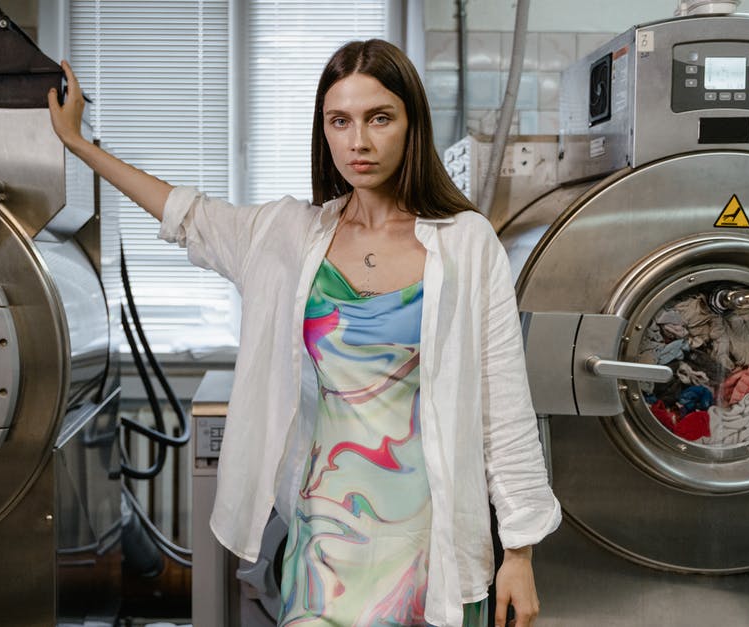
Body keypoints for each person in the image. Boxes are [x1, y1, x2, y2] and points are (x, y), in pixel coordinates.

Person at [48, 38, 560, 627]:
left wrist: (518, 553)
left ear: (411, 124)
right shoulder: (290, 235)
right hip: (324, 540)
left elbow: (504, 409)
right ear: (324, 130)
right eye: (339, 121)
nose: (358, 141)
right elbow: (184, 213)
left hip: (432, 543)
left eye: (379, 118)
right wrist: (79, 145)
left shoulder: (467, 243)